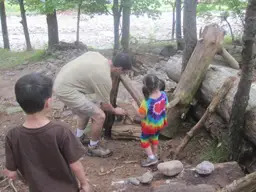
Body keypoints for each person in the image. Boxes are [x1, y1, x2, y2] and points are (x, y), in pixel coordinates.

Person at [4, 73, 90, 192]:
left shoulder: (12, 136)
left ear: (19, 102)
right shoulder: (61, 130)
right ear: (48, 102)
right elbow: (75, 165)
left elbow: (11, 173)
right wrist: (84, 183)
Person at [54, 51, 132, 158]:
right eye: (124, 72)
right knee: (99, 116)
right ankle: (93, 148)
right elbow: (104, 105)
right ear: (118, 69)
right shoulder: (104, 78)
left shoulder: (97, 55)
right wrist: (115, 110)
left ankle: (79, 137)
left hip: (63, 80)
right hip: (65, 89)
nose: (123, 75)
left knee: (88, 106)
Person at [133, 74, 168, 167]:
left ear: (146, 87)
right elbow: (166, 106)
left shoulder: (146, 102)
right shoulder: (164, 95)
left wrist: (134, 106)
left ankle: (151, 158)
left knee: (144, 139)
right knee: (155, 137)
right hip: (159, 123)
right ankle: (155, 154)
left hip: (149, 126)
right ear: (158, 84)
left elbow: (141, 115)